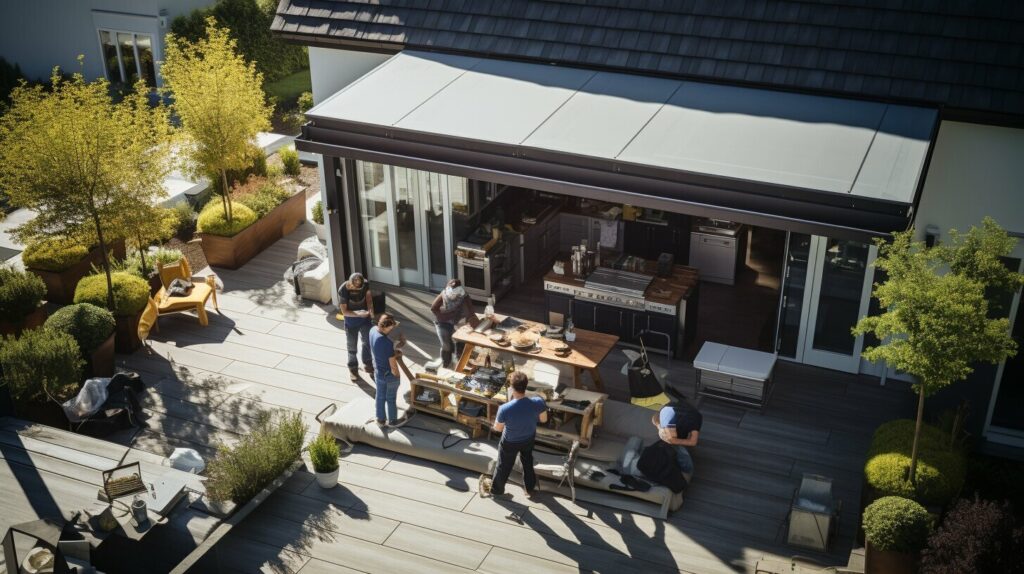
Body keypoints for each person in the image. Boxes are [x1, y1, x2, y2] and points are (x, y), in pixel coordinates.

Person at [490, 371, 548, 499]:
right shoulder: (538, 402)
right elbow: (543, 420)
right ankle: (529, 489)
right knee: (527, 461)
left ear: (511, 387)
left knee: (503, 465)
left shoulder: (504, 408)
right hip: (528, 438)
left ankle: (497, 491)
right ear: (526, 386)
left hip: (510, 441)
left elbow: (498, 429)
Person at [430, 279, 479, 367]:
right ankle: (446, 365)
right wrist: (443, 315)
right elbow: (433, 308)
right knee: (446, 346)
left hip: (459, 322)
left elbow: (470, 313)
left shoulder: (464, 297)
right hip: (443, 322)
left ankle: (459, 365)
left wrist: (473, 322)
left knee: (460, 344)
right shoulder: (444, 294)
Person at [651, 399, 702, 477]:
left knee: (688, 467)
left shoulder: (695, 418)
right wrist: (659, 427)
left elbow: (693, 441)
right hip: (669, 434)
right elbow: (655, 417)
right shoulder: (667, 408)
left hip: (678, 439)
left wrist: (673, 441)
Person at [369, 313, 403, 427]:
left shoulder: (372, 330)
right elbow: (392, 364)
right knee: (391, 398)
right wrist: (397, 375)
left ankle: (380, 420)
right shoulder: (387, 342)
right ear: (385, 327)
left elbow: (382, 352)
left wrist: (392, 352)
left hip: (378, 371)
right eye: (391, 328)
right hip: (389, 375)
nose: (391, 330)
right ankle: (393, 421)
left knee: (380, 396)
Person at [338, 273, 374, 378]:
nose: (356, 289)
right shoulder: (343, 289)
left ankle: (368, 363)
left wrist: (371, 312)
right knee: (351, 346)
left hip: (365, 320)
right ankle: (353, 368)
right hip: (351, 321)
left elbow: (369, 299)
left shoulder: (366, 284)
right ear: (349, 283)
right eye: (354, 287)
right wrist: (359, 314)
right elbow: (344, 312)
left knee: (367, 341)